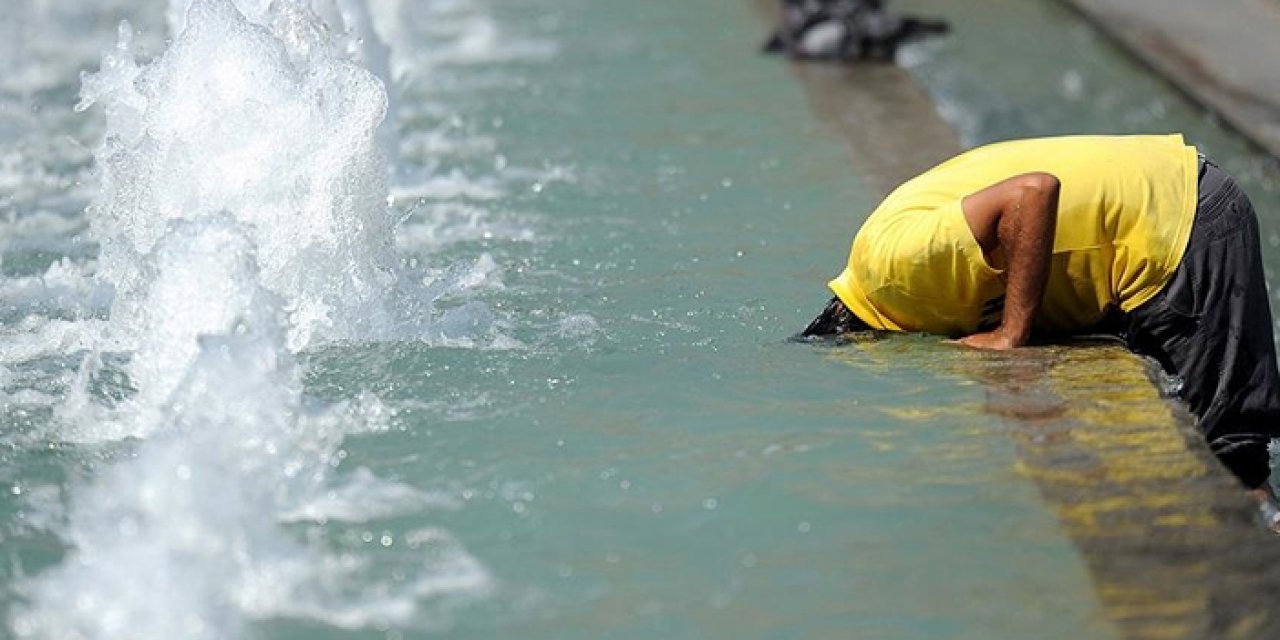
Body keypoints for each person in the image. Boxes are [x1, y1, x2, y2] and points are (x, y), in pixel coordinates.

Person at [802, 134, 1280, 501]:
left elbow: (1033, 192)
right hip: (1160, 208)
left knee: (1232, 463)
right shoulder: (887, 272)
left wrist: (1011, 334)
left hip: (1179, 224)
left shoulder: (894, 270)